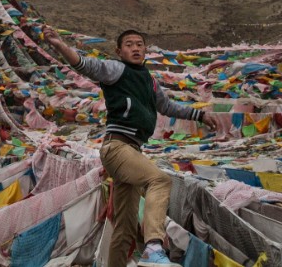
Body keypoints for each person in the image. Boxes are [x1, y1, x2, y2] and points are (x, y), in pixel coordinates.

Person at [43, 27, 218, 267]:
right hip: (117, 147)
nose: (135, 48)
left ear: (145, 49)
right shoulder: (117, 70)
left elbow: (167, 107)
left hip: (133, 151)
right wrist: (59, 45)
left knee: (125, 229)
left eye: (139, 44)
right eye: (129, 44)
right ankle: (154, 246)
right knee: (160, 180)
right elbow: (85, 65)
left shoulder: (149, 80)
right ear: (119, 51)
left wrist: (200, 115)